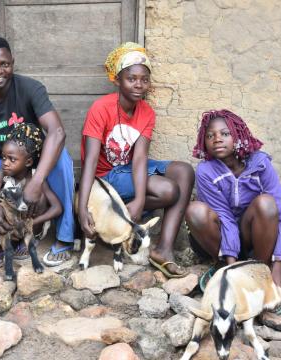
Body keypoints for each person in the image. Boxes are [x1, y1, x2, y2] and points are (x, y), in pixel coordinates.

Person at [78, 42, 194, 278]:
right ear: (118, 80)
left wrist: (140, 200)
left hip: (128, 169)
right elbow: (89, 160)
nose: (138, 84)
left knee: (185, 171)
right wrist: (82, 207)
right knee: (169, 191)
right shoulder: (101, 108)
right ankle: (118, 211)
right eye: (131, 78)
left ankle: (164, 249)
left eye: (144, 79)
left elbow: (140, 158)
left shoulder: (146, 113)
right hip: (107, 176)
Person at [0, 36, 75, 267]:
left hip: (32, 158)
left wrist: (37, 181)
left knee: (62, 160)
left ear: (13, 62)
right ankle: (1, 238)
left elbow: (57, 132)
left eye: (4, 64)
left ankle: (65, 237)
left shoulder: (30, 89)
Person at [185, 109, 281, 288]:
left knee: (266, 203)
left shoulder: (260, 164)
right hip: (218, 240)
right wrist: (231, 267)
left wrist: (278, 266)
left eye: (225, 134)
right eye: (210, 136)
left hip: (253, 237)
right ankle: (222, 266)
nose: (217, 139)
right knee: (195, 210)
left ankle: (261, 269)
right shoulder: (206, 171)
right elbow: (224, 217)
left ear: (238, 135)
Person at [0, 122, 62, 251]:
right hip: (11, 226)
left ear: (28, 162)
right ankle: (4, 243)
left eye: (12, 159)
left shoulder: (36, 179)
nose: (5, 163)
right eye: (3, 157)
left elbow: (57, 208)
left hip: (31, 227)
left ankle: (28, 241)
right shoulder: (2, 174)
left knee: (40, 197)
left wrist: (33, 223)